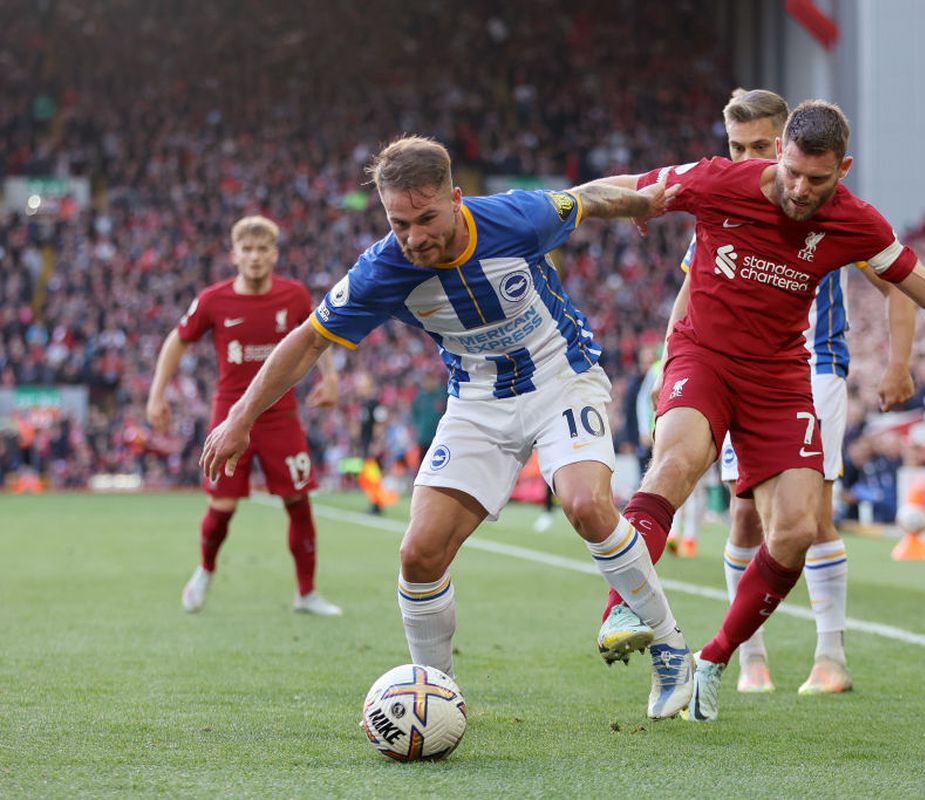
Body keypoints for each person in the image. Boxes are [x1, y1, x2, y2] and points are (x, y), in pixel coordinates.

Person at [597, 99, 925, 721]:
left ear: (843, 169)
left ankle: (713, 659)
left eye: (817, 180)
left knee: (794, 531)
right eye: (791, 171)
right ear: (781, 154)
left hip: (783, 377)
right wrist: (552, 211)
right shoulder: (722, 181)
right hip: (703, 356)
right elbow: (629, 188)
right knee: (676, 462)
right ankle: (621, 610)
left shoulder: (857, 223)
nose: (798, 188)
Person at [200, 136, 695, 719]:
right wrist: (240, 416)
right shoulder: (383, 268)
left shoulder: (514, 217)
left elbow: (582, 199)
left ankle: (671, 647)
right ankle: (436, 696)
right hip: (477, 403)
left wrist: (638, 203)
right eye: (399, 222)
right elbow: (309, 339)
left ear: (456, 199)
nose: (414, 237)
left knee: (587, 505)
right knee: (419, 552)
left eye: (426, 218)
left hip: (562, 377)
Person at [616, 88, 917, 695]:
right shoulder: (730, 195)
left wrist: (898, 363)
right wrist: (671, 361)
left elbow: (903, 280)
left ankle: (829, 655)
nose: (748, 158)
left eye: (759, 146)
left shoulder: (835, 210)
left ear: (786, 143)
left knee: (812, 516)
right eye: (737, 147)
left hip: (814, 366)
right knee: (744, 511)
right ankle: (747, 657)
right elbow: (693, 289)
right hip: (727, 363)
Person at [146, 215, 343, 616]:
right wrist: (156, 395)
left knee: (298, 500)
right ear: (234, 255)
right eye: (247, 250)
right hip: (229, 416)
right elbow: (176, 341)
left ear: (274, 255)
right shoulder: (213, 300)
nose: (255, 258)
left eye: (262, 250)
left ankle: (306, 593)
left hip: (280, 414)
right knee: (222, 507)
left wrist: (331, 378)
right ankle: (205, 570)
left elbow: (318, 337)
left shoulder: (294, 295)